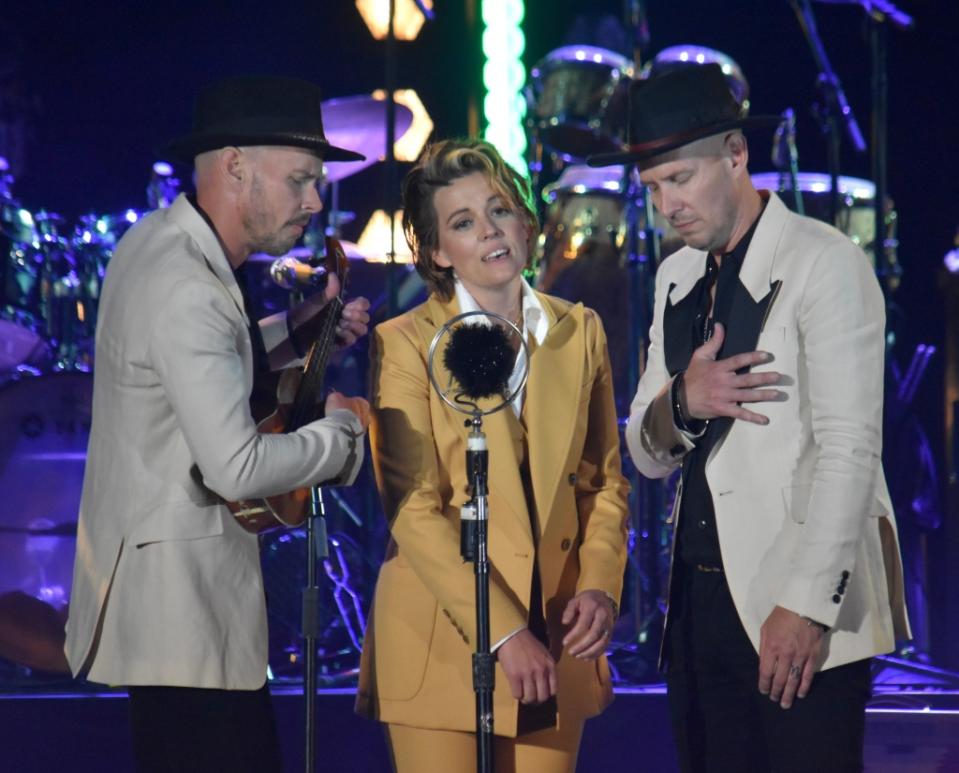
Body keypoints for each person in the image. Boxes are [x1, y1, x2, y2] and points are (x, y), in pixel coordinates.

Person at [588, 64, 910, 772]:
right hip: (699, 607)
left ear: (735, 155)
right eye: (651, 189)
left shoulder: (823, 262)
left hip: (794, 602)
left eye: (679, 179)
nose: (666, 205)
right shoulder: (674, 276)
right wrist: (683, 401)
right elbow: (643, 449)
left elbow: (849, 449)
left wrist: (805, 605)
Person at [64, 75, 372, 773]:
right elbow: (235, 468)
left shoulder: (157, 242)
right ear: (236, 167)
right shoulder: (189, 285)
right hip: (185, 620)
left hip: (160, 610)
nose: (314, 202)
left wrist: (297, 330)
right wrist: (344, 436)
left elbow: (196, 361)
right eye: (299, 180)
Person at [355, 138, 629, 772]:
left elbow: (602, 483)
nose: (489, 231)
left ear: (526, 220)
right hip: (443, 640)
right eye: (462, 223)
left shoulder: (578, 330)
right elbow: (413, 508)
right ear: (436, 253)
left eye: (499, 210)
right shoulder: (405, 343)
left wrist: (599, 587)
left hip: (558, 637)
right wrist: (503, 632)